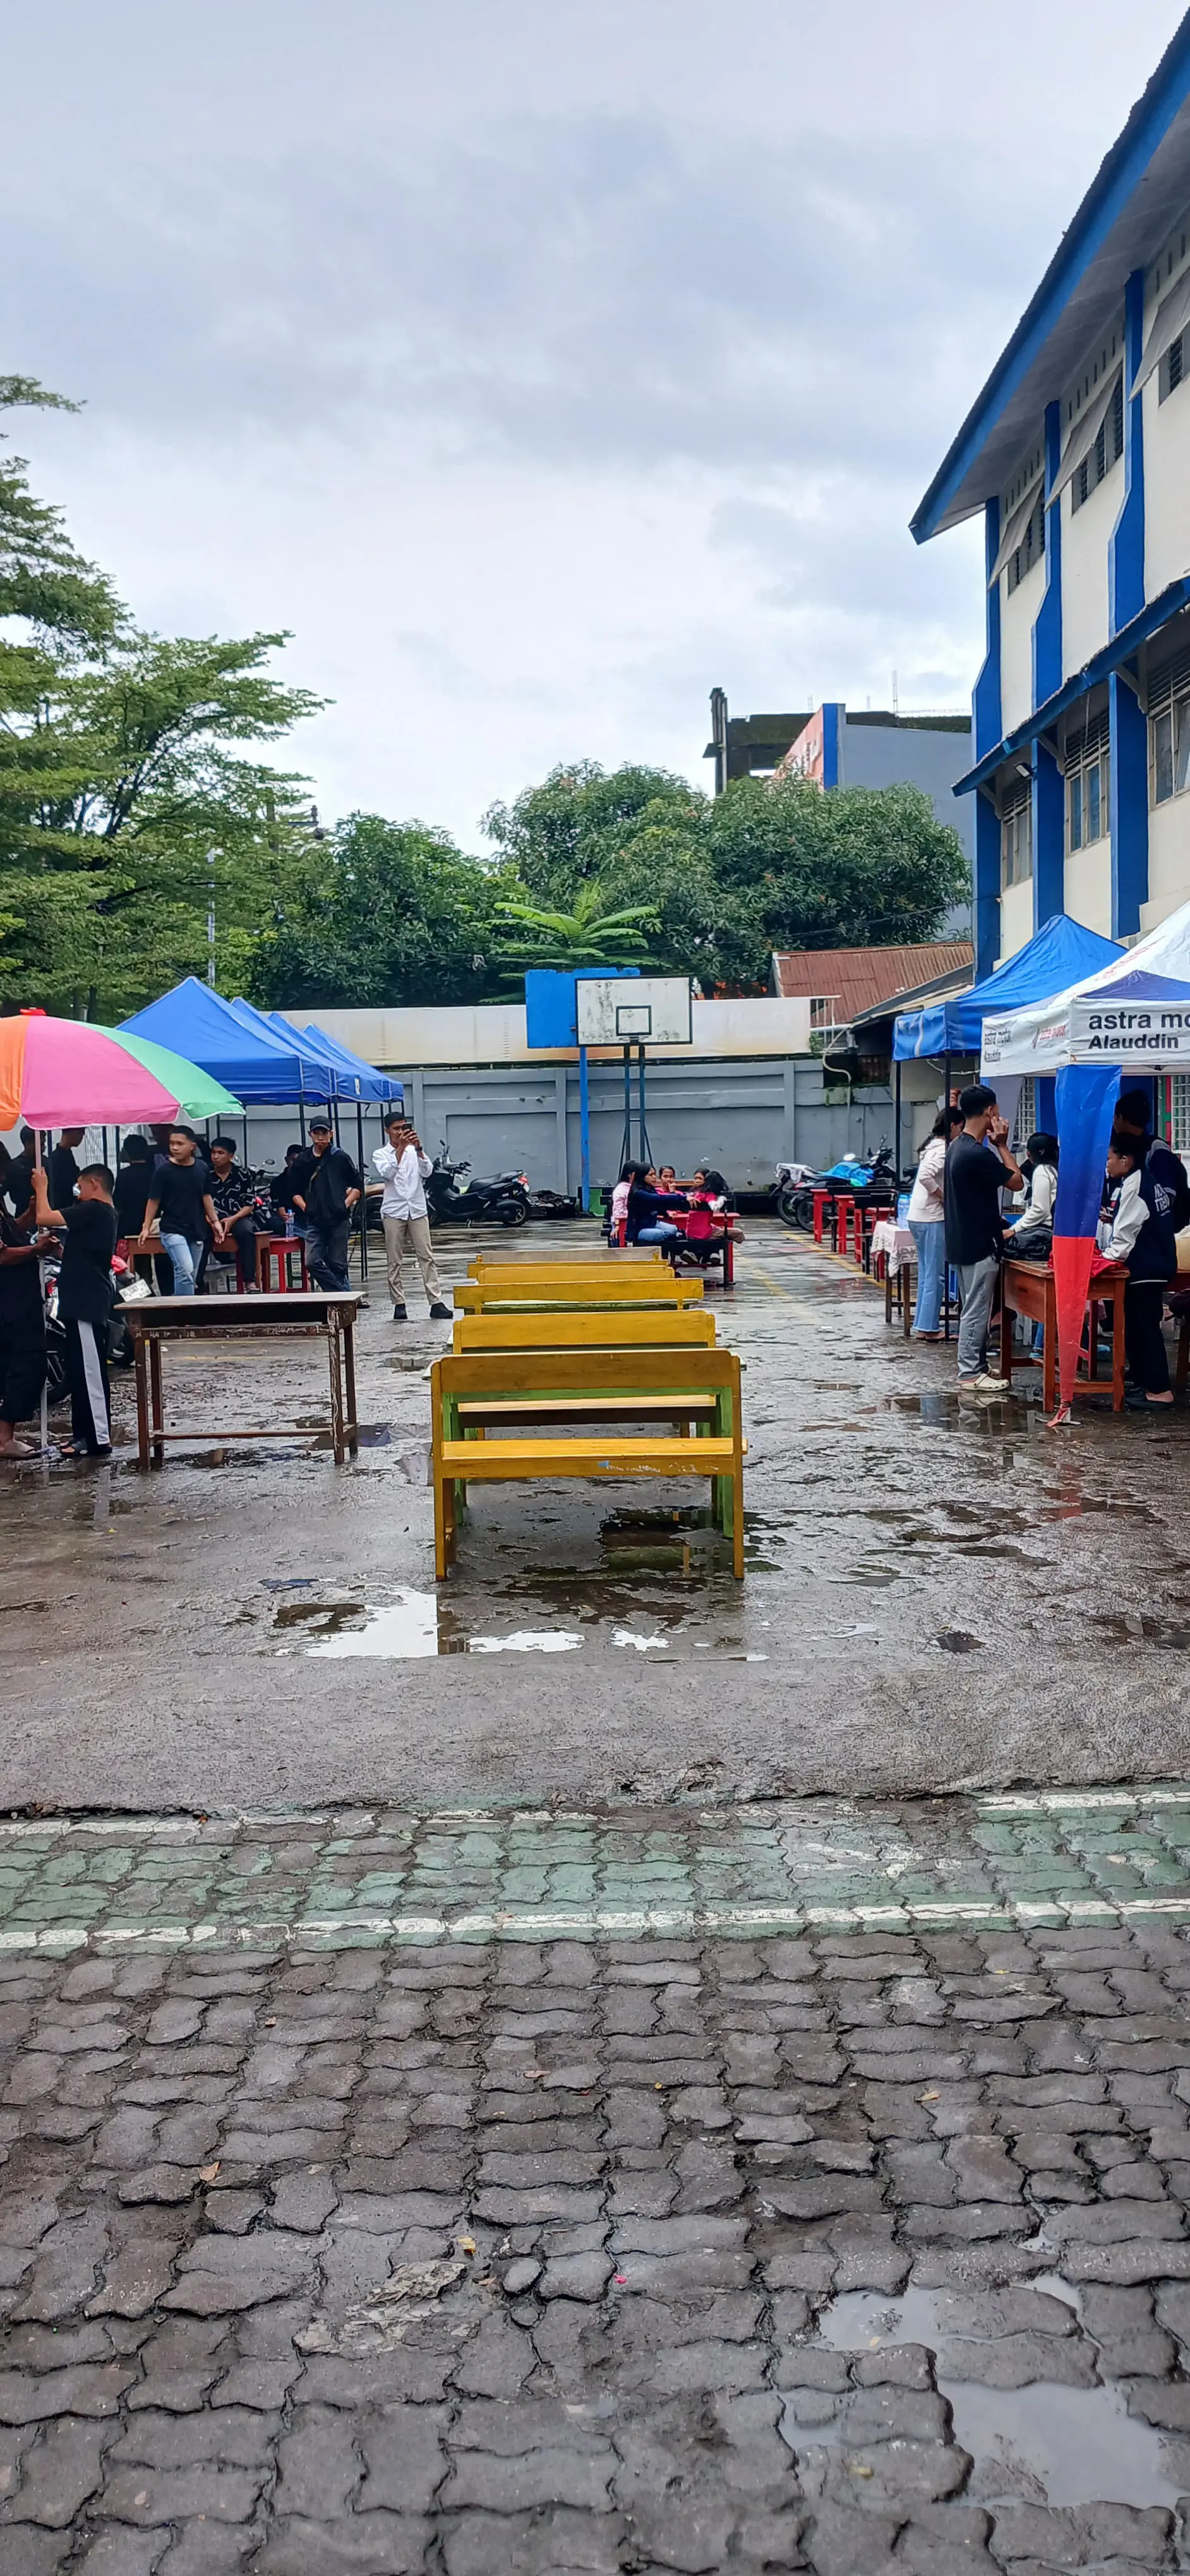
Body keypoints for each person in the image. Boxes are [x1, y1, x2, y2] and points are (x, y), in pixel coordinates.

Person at [31, 1159, 117, 1456]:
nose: (78, 1193)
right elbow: (86, 1254)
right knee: (80, 1371)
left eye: (81, 1187)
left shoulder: (94, 1208)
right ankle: (82, 1435)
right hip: (80, 1298)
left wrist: (41, 1187)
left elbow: (44, 1216)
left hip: (86, 1301)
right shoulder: (99, 1215)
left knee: (90, 1372)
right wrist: (59, 1251)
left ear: (94, 1185)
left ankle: (97, 1438)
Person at [944, 1083, 1024, 1393]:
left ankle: (975, 1365)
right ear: (990, 1111)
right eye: (997, 1111)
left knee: (972, 1306)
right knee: (977, 1309)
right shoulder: (978, 1153)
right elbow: (1016, 1182)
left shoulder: (957, 1146)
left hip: (962, 1239)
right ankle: (969, 1373)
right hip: (979, 1243)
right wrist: (1003, 1145)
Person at [1101, 1133, 1178, 1405]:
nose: (1106, 1164)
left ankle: (1160, 1391)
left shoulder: (1136, 1186)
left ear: (1126, 1159)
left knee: (1145, 1328)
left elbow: (1123, 1240)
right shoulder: (1142, 1180)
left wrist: (1103, 1261)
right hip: (1154, 1262)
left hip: (1147, 1266)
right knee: (1136, 1326)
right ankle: (1144, 1383)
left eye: (1109, 1157)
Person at [371, 1112, 452, 1323]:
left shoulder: (413, 1151)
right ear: (387, 1130)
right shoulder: (381, 1154)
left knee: (427, 1256)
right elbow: (388, 1174)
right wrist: (400, 1149)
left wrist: (419, 1149)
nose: (400, 1132)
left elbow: (427, 1172)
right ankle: (399, 1303)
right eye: (396, 1129)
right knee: (394, 1260)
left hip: (417, 1209)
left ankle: (436, 1302)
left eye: (403, 1128)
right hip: (394, 1211)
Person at [140, 1130, 222, 1297]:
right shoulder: (164, 1170)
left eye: (180, 1144)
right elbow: (153, 1200)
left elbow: (207, 1197)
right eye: (172, 1143)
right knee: (185, 1270)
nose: (175, 1148)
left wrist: (216, 1222)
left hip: (197, 1229)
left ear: (192, 1146)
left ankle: (182, 1308)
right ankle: (183, 1311)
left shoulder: (202, 1168)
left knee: (191, 1275)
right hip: (172, 1229)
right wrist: (146, 1227)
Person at [906, 1106, 963, 1338]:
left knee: (927, 1273)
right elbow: (926, 1175)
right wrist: (943, 1196)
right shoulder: (943, 1150)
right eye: (960, 1127)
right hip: (931, 1217)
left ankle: (923, 1323)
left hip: (917, 1216)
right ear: (953, 1127)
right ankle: (929, 1328)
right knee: (935, 1274)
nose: (962, 1131)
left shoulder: (931, 1147)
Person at [0, 1200, 47, 1458]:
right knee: (28, 1363)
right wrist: (36, 1250)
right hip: (10, 1302)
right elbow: (3, 1255)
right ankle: (4, 1438)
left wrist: (30, 1213)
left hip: (18, 1299)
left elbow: (10, 1230)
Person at [293, 1117, 359, 1291]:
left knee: (337, 1264)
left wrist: (345, 1204)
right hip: (315, 1220)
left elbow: (357, 1185)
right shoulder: (302, 1160)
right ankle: (342, 1295)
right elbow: (293, 1191)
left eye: (324, 1133)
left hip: (339, 1218)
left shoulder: (340, 1157)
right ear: (310, 1134)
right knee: (312, 1261)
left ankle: (339, 1303)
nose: (320, 1138)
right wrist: (306, 1207)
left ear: (331, 1134)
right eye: (317, 1133)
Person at [203, 1138, 262, 1291]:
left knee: (246, 1232)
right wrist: (213, 1222)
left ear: (230, 1156)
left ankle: (250, 1280)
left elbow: (250, 1204)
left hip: (238, 1217)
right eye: (213, 1152)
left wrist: (232, 1220)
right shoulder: (205, 1174)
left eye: (220, 1153)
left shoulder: (243, 1174)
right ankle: (198, 1282)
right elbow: (200, 1202)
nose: (215, 1157)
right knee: (200, 1234)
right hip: (210, 1218)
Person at [626, 1166, 685, 1246]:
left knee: (673, 1229)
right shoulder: (638, 1193)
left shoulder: (651, 1189)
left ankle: (676, 1236)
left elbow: (657, 1205)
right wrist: (684, 1197)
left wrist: (666, 1213)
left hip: (653, 1223)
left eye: (655, 1174)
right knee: (659, 1234)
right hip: (639, 1230)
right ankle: (677, 1237)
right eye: (651, 1175)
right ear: (643, 1177)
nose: (654, 1177)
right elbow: (658, 1199)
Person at [271, 1143, 313, 1234]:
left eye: (299, 1161)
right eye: (293, 1160)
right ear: (286, 1160)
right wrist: (283, 1214)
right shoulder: (277, 1182)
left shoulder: (309, 1181)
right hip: (288, 1220)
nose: (296, 1164)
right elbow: (279, 1207)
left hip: (307, 1218)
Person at [47, 1128, 85, 1217]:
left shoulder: (67, 1154)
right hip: (63, 1212)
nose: (83, 1135)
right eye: (81, 1131)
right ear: (72, 1131)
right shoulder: (57, 1159)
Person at [3, 1128, 36, 1225]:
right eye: (41, 1142)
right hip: (23, 1214)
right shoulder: (14, 1167)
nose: (44, 1145)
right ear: (28, 1143)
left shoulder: (47, 1163)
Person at [609, 1162, 639, 1248]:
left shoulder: (634, 1187)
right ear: (629, 1175)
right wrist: (618, 1226)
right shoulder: (621, 1189)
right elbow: (618, 1209)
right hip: (622, 1223)